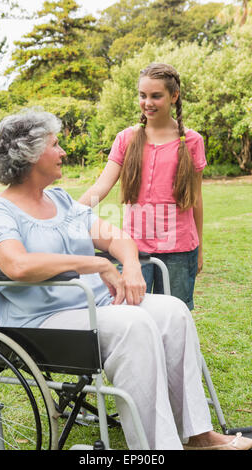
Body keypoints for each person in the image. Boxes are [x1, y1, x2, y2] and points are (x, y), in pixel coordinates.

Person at [0, 109, 252, 451]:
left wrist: (130, 265)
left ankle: (198, 435)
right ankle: (157, 450)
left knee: (173, 312)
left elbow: (115, 237)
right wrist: (97, 265)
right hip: (42, 322)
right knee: (133, 323)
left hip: (97, 307)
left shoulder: (61, 200)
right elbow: (16, 265)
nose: (62, 151)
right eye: (55, 144)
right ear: (30, 154)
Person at [79, 63, 206, 311]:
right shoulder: (126, 138)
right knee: (133, 312)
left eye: (156, 96)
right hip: (135, 249)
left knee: (176, 314)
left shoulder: (192, 141)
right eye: (143, 95)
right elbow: (102, 185)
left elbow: (196, 199)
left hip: (180, 249)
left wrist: (199, 248)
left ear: (174, 96)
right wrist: (68, 211)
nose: (148, 102)